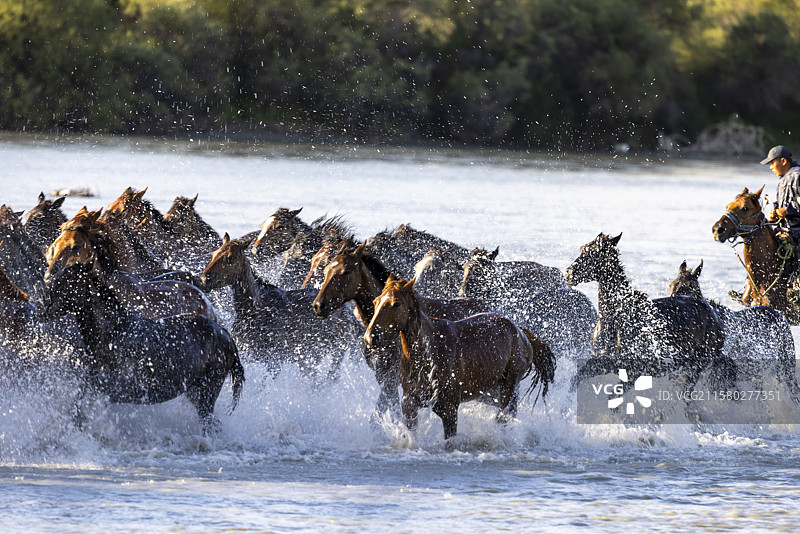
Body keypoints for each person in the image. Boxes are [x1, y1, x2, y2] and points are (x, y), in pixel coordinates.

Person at [763, 145, 800, 244]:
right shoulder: (784, 178)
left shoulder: (797, 175)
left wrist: (787, 210)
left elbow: (794, 204)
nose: (770, 167)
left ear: (783, 161)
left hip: (796, 233)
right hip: (784, 231)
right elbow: (786, 202)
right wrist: (775, 211)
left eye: (772, 163)